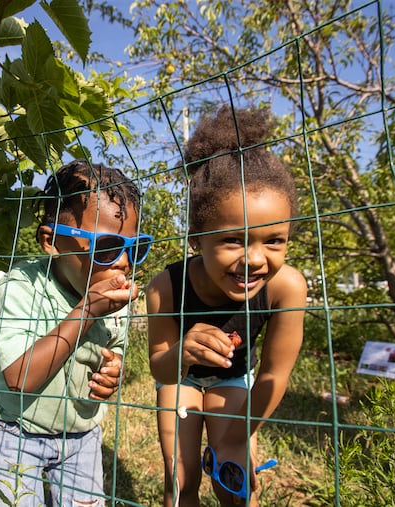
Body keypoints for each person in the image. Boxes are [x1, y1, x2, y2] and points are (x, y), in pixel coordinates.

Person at [146, 106, 307, 507]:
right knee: (179, 484)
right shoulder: (166, 287)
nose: (254, 259)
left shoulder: (286, 287)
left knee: (233, 482)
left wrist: (238, 437)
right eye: (234, 240)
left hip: (234, 380)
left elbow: (273, 374)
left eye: (274, 241)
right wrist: (182, 353)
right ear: (197, 238)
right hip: (180, 379)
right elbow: (158, 366)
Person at [0, 159, 153, 507]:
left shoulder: (116, 299)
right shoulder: (22, 287)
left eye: (133, 248)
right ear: (52, 241)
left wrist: (112, 372)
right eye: (105, 247)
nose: (122, 262)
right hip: (14, 430)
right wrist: (87, 310)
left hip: (81, 434)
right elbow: (19, 377)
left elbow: (114, 346)